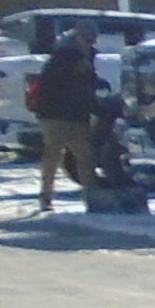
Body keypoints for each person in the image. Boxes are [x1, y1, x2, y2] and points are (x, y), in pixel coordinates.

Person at [34, 26, 101, 213]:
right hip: (63, 116)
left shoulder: (64, 56)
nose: (90, 45)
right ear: (79, 38)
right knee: (81, 159)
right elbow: (80, 87)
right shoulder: (71, 58)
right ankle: (92, 197)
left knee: (55, 159)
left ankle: (47, 198)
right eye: (87, 41)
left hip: (59, 116)